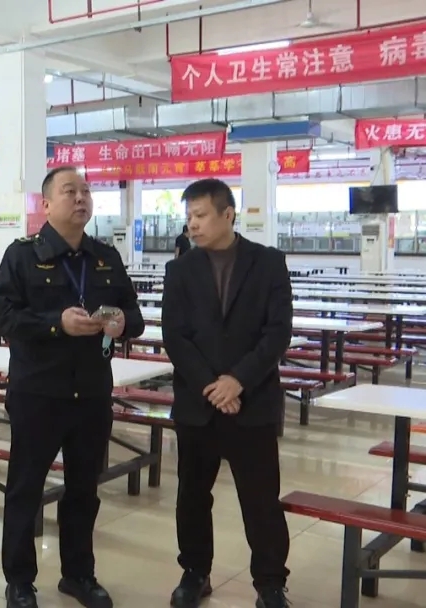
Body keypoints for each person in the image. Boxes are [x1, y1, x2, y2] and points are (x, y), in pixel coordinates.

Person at [0, 166, 144, 608]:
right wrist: (56, 324)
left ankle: (78, 574)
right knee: (25, 490)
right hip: (39, 394)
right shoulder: (22, 255)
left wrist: (121, 323)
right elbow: (3, 316)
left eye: (86, 191)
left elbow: (134, 316)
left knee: (83, 490)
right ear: (46, 204)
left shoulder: (105, 257)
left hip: (92, 394)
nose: (80, 198)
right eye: (69, 191)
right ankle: (20, 581)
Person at [160, 178, 292, 608]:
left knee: (260, 499)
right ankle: (195, 572)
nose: (192, 225)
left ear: (227, 214)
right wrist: (211, 385)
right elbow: (175, 336)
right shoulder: (180, 270)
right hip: (198, 404)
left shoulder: (268, 263)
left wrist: (238, 380)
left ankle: (270, 583)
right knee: (192, 496)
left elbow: (277, 333)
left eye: (200, 215)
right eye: (189, 217)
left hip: (252, 402)